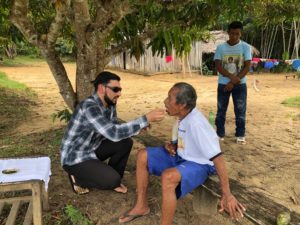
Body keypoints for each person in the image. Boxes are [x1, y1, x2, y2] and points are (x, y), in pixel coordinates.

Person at [119, 82, 245, 224]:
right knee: (143, 155)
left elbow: (218, 158)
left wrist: (227, 194)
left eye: (169, 98)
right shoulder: (183, 117)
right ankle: (141, 206)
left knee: (168, 177)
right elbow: (187, 141)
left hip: (201, 164)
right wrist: (173, 145)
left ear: (182, 105)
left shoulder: (197, 123)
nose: (165, 101)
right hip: (182, 157)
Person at [60, 71, 165, 194]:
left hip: (91, 148)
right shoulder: (89, 107)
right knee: (112, 180)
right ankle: (78, 178)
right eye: (115, 89)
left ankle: (109, 177)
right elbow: (113, 133)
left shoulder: (110, 105)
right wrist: (145, 119)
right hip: (74, 157)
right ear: (101, 88)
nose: (119, 93)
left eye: (120, 90)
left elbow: (114, 127)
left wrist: (138, 129)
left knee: (125, 142)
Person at [214, 21, 252, 144]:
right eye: (232, 33)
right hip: (223, 84)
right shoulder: (221, 48)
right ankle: (219, 133)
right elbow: (218, 66)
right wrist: (231, 77)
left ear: (241, 33)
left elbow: (247, 67)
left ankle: (240, 134)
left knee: (240, 110)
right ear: (228, 33)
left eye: (237, 34)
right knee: (221, 110)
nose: (234, 36)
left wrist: (234, 81)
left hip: (240, 84)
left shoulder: (246, 47)